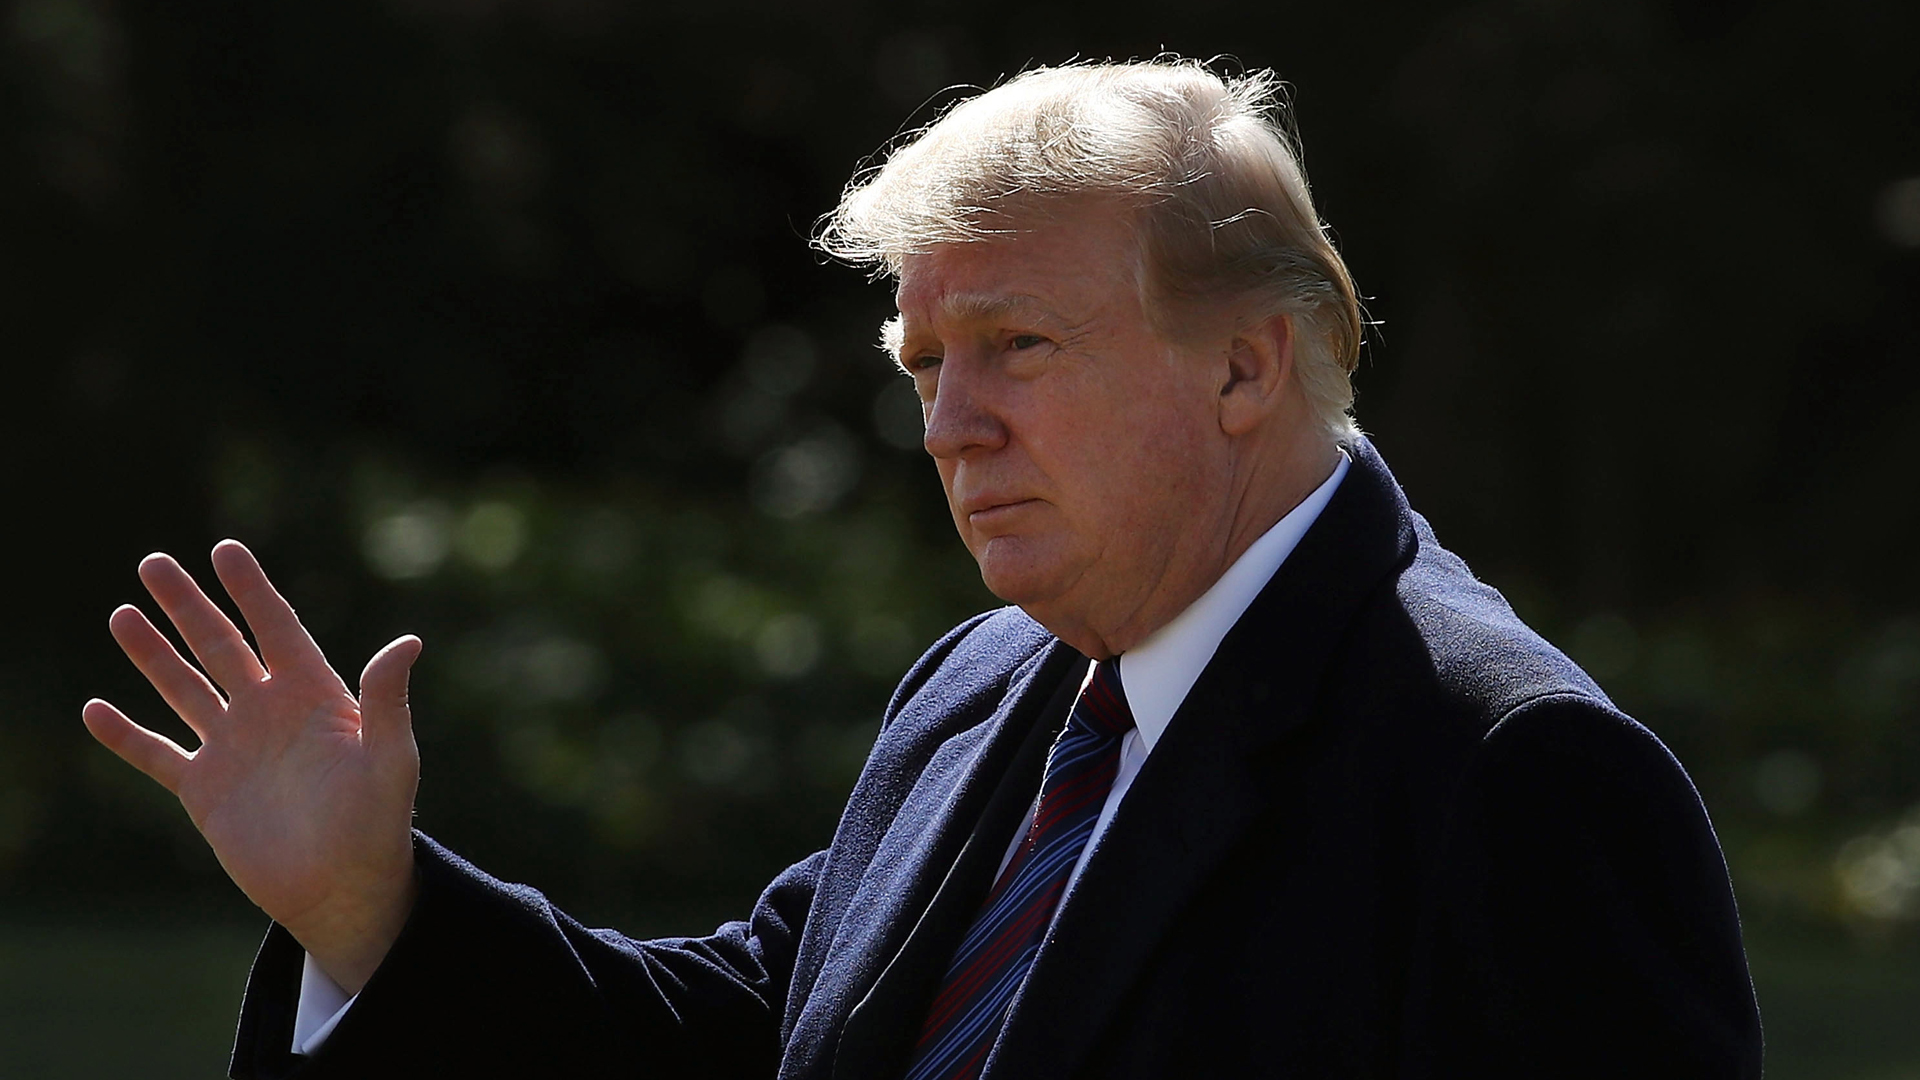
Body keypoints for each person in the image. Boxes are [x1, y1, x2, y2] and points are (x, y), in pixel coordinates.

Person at [84, 59, 1764, 1079]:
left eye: (1018, 345)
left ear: (1249, 367)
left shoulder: (1515, 776)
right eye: (921, 362)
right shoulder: (992, 685)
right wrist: (373, 910)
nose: (949, 423)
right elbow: (753, 1045)